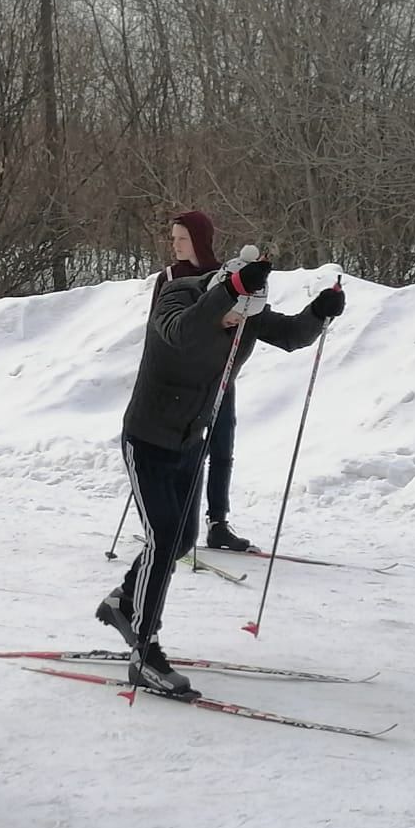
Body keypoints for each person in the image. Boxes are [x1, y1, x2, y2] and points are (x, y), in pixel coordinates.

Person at [98, 248, 345, 696]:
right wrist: (228, 293)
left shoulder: (245, 311)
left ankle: (123, 602)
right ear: (220, 294)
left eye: (242, 319)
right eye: (232, 317)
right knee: (164, 537)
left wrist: (318, 313)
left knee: (182, 539)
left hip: (192, 440)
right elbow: (181, 332)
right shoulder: (177, 298)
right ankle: (145, 652)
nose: (236, 326)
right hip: (148, 439)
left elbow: (290, 335)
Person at [150, 211, 252, 552]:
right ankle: (179, 522)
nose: (175, 245)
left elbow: (245, 317)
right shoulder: (168, 277)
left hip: (220, 374)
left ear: (199, 240)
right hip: (183, 381)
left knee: (222, 446)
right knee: (186, 451)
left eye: (182, 238)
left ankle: (218, 521)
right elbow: (162, 326)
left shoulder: (225, 275)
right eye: (174, 238)